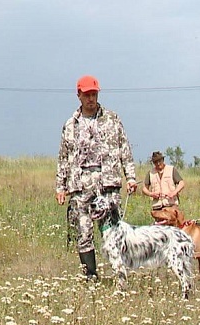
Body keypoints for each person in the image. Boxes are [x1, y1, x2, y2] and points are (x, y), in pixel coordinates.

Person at [55, 75, 138, 279]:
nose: (91, 98)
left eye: (94, 94)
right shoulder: (70, 125)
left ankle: (120, 275)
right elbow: (63, 157)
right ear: (79, 95)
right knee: (83, 233)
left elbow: (124, 148)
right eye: (87, 95)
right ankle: (91, 276)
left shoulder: (112, 119)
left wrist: (131, 177)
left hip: (108, 185)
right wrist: (60, 186)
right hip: (80, 188)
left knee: (113, 233)